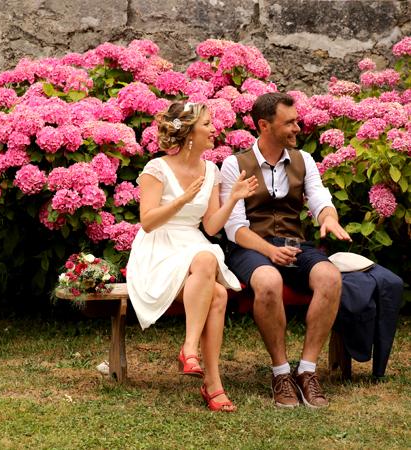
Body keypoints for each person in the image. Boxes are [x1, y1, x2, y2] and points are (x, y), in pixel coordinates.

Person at [220, 92, 351, 409]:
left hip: (293, 243)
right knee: (268, 282)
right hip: (249, 245)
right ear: (264, 125)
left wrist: (328, 219)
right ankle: (280, 373)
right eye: (289, 122)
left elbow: (320, 200)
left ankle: (307, 371)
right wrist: (269, 251)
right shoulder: (234, 164)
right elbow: (234, 228)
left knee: (330, 278)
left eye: (296, 120)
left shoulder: (304, 160)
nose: (297, 127)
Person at [127, 101, 258, 412]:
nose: (215, 130)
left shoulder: (211, 171)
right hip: (158, 247)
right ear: (188, 133)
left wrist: (233, 199)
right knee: (213, 280)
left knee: (211, 277)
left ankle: (196, 360)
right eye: (207, 124)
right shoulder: (156, 169)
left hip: (193, 245)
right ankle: (203, 371)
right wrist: (184, 198)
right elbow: (148, 222)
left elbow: (211, 226)